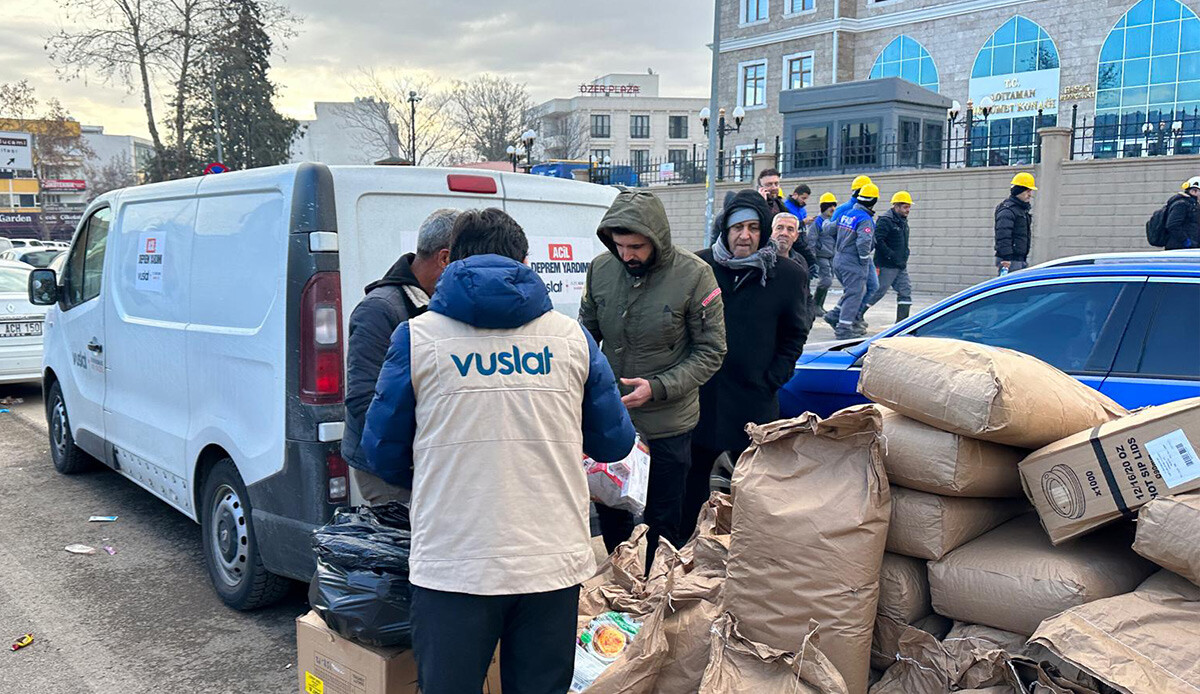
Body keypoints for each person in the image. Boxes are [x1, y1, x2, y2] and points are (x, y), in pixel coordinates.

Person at [361, 208, 636, 694]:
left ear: (451, 263)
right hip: (549, 558)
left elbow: (381, 453)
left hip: (453, 560)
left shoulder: (417, 338)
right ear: (525, 262)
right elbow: (614, 442)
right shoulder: (571, 338)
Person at [580, 190, 727, 564]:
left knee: (664, 518)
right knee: (612, 512)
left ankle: (659, 589)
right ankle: (621, 586)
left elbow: (712, 352)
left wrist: (658, 388)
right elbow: (585, 335)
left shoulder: (695, 276)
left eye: (636, 246)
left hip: (669, 424)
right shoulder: (600, 270)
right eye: (620, 246)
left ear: (657, 240)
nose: (627, 255)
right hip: (613, 422)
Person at [684, 190, 809, 539]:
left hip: (754, 397)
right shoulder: (699, 267)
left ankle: (748, 550)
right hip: (702, 396)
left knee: (753, 485)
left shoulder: (786, 275)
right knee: (692, 485)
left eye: (754, 228)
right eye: (738, 227)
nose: (745, 235)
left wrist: (773, 378)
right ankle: (686, 552)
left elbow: (794, 335)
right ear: (725, 229)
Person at [342, 208, 458, 504]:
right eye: (465, 259)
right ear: (444, 258)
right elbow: (363, 399)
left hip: (433, 463)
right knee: (406, 549)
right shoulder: (380, 309)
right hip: (390, 472)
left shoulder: (445, 303)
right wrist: (412, 457)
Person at [824, 176, 877, 331]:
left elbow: (830, 228)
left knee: (861, 289)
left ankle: (839, 315)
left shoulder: (849, 212)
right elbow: (863, 241)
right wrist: (863, 259)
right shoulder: (854, 213)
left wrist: (824, 221)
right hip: (854, 257)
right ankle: (846, 323)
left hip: (845, 256)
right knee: (856, 291)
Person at [864, 191, 914, 324]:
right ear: (896, 206)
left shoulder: (902, 221)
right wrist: (891, 256)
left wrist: (904, 255)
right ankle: (856, 315)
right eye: (905, 207)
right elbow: (878, 241)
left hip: (900, 265)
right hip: (886, 265)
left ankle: (902, 324)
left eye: (909, 207)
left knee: (905, 291)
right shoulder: (886, 220)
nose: (908, 210)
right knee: (878, 291)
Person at [995, 172, 1036, 274]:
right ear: (1019, 191)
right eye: (1027, 191)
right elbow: (1003, 234)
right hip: (1010, 261)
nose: (1030, 195)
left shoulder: (1020, 209)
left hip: (1019, 259)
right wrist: (1006, 258)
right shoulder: (1008, 210)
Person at [807, 192, 838, 317]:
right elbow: (811, 240)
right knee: (826, 281)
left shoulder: (832, 221)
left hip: (832, 256)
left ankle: (819, 306)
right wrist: (812, 257)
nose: (833, 208)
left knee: (828, 281)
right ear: (824, 206)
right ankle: (815, 305)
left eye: (834, 205)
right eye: (830, 205)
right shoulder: (817, 222)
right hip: (821, 256)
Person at [1164, 176, 1200, 250]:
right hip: (1179, 250)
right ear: (1194, 191)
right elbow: (1173, 225)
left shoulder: (1193, 206)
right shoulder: (1181, 204)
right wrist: (1186, 242)